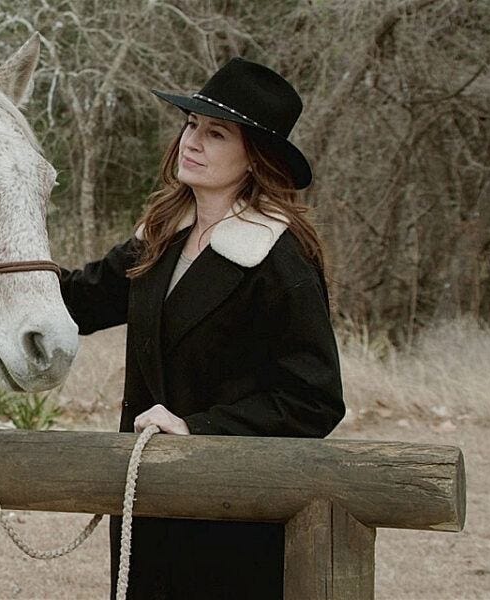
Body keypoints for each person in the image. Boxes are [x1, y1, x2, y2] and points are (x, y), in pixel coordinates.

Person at [59, 57, 345, 598]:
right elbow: (80, 300)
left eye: (216, 133)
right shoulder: (162, 232)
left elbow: (315, 399)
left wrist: (199, 426)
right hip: (147, 505)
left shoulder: (280, 258)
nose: (192, 140)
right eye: (191, 125)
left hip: (232, 518)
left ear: (255, 158)